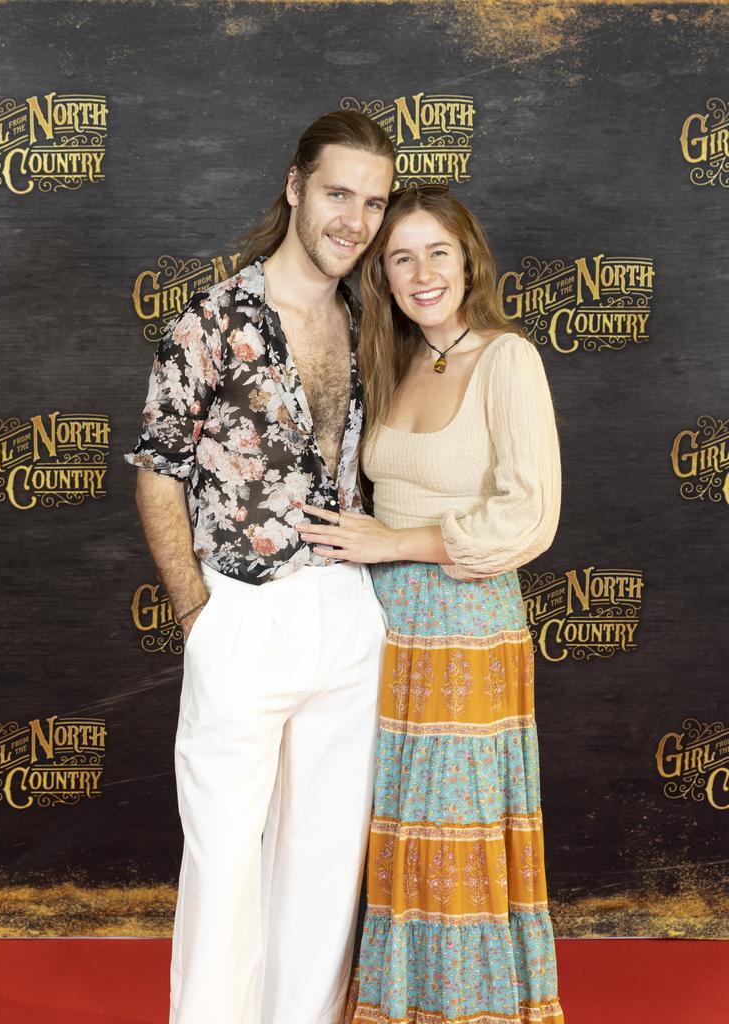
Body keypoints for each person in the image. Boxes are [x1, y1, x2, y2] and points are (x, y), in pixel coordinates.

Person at [125, 110, 395, 1024]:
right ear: (293, 187)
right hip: (241, 612)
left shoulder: (370, 318)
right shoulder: (209, 320)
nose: (353, 220)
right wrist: (200, 614)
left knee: (323, 866)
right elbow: (159, 471)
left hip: (348, 618)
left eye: (372, 203)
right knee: (227, 861)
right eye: (337, 194)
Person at [298, 186, 565, 1024]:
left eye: (436, 252)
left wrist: (395, 544)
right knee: (397, 837)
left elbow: (530, 515)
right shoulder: (397, 359)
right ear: (383, 270)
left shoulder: (507, 358)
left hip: (466, 629)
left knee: (456, 839)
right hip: (384, 631)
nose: (421, 273)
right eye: (401, 256)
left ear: (468, 258)